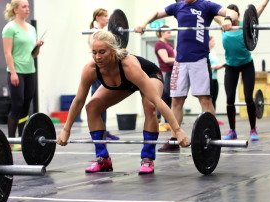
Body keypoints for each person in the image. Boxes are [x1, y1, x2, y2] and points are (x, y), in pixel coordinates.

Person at [57, 30, 190, 175]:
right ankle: (102, 158)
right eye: (94, 52)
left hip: (149, 75)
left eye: (102, 52)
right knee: (92, 107)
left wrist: (177, 131)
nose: (97, 57)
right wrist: (66, 130)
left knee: (150, 106)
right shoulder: (91, 69)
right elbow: (79, 101)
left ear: (113, 51)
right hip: (124, 83)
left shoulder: (129, 66)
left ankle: (147, 158)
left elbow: (157, 101)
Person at [135, 0, 238, 152]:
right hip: (180, 62)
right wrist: (143, 23)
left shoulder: (206, 5)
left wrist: (228, 19)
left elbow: (232, 12)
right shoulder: (178, 6)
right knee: (176, 100)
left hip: (200, 60)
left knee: (205, 100)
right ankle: (174, 139)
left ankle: (212, 137)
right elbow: (156, 13)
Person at [213, 1, 269, 141]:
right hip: (231, 66)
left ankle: (253, 130)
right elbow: (209, 9)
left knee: (248, 98)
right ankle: (232, 131)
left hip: (246, 65)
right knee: (230, 99)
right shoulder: (223, 24)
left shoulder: (246, 24)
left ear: (237, 15)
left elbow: (258, 9)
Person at [2, 0, 44, 151]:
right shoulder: (9, 28)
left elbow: (34, 55)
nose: (27, 9)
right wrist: (13, 72)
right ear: (16, 10)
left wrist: (37, 46)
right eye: (24, 7)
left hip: (30, 71)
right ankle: (11, 141)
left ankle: (22, 138)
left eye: (28, 6)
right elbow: (7, 52)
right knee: (17, 105)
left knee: (26, 106)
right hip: (17, 71)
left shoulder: (32, 29)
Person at [88, 8, 119, 140]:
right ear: (97, 18)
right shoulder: (95, 34)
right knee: (98, 103)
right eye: (105, 16)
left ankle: (104, 130)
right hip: (98, 71)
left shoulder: (105, 33)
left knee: (104, 103)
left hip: (106, 69)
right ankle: (100, 132)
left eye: (107, 16)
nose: (107, 18)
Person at [154, 25, 175, 132]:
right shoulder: (159, 44)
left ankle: (167, 121)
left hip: (172, 72)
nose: (170, 34)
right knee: (163, 95)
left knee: (169, 96)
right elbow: (166, 59)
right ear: (162, 33)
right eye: (168, 32)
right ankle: (157, 121)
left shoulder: (169, 44)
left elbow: (176, 56)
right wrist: (178, 59)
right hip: (165, 72)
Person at [208, 36, 224, 125]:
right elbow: (205, 66)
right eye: (213, 41)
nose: (214, 42)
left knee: (214, 99)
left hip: (215, 79)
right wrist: (215, 67)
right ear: (208, 42)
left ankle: (214, 117)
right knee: (209, 100)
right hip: (209, 79)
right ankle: (210, 118)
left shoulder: (213, 52)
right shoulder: (206, 53)